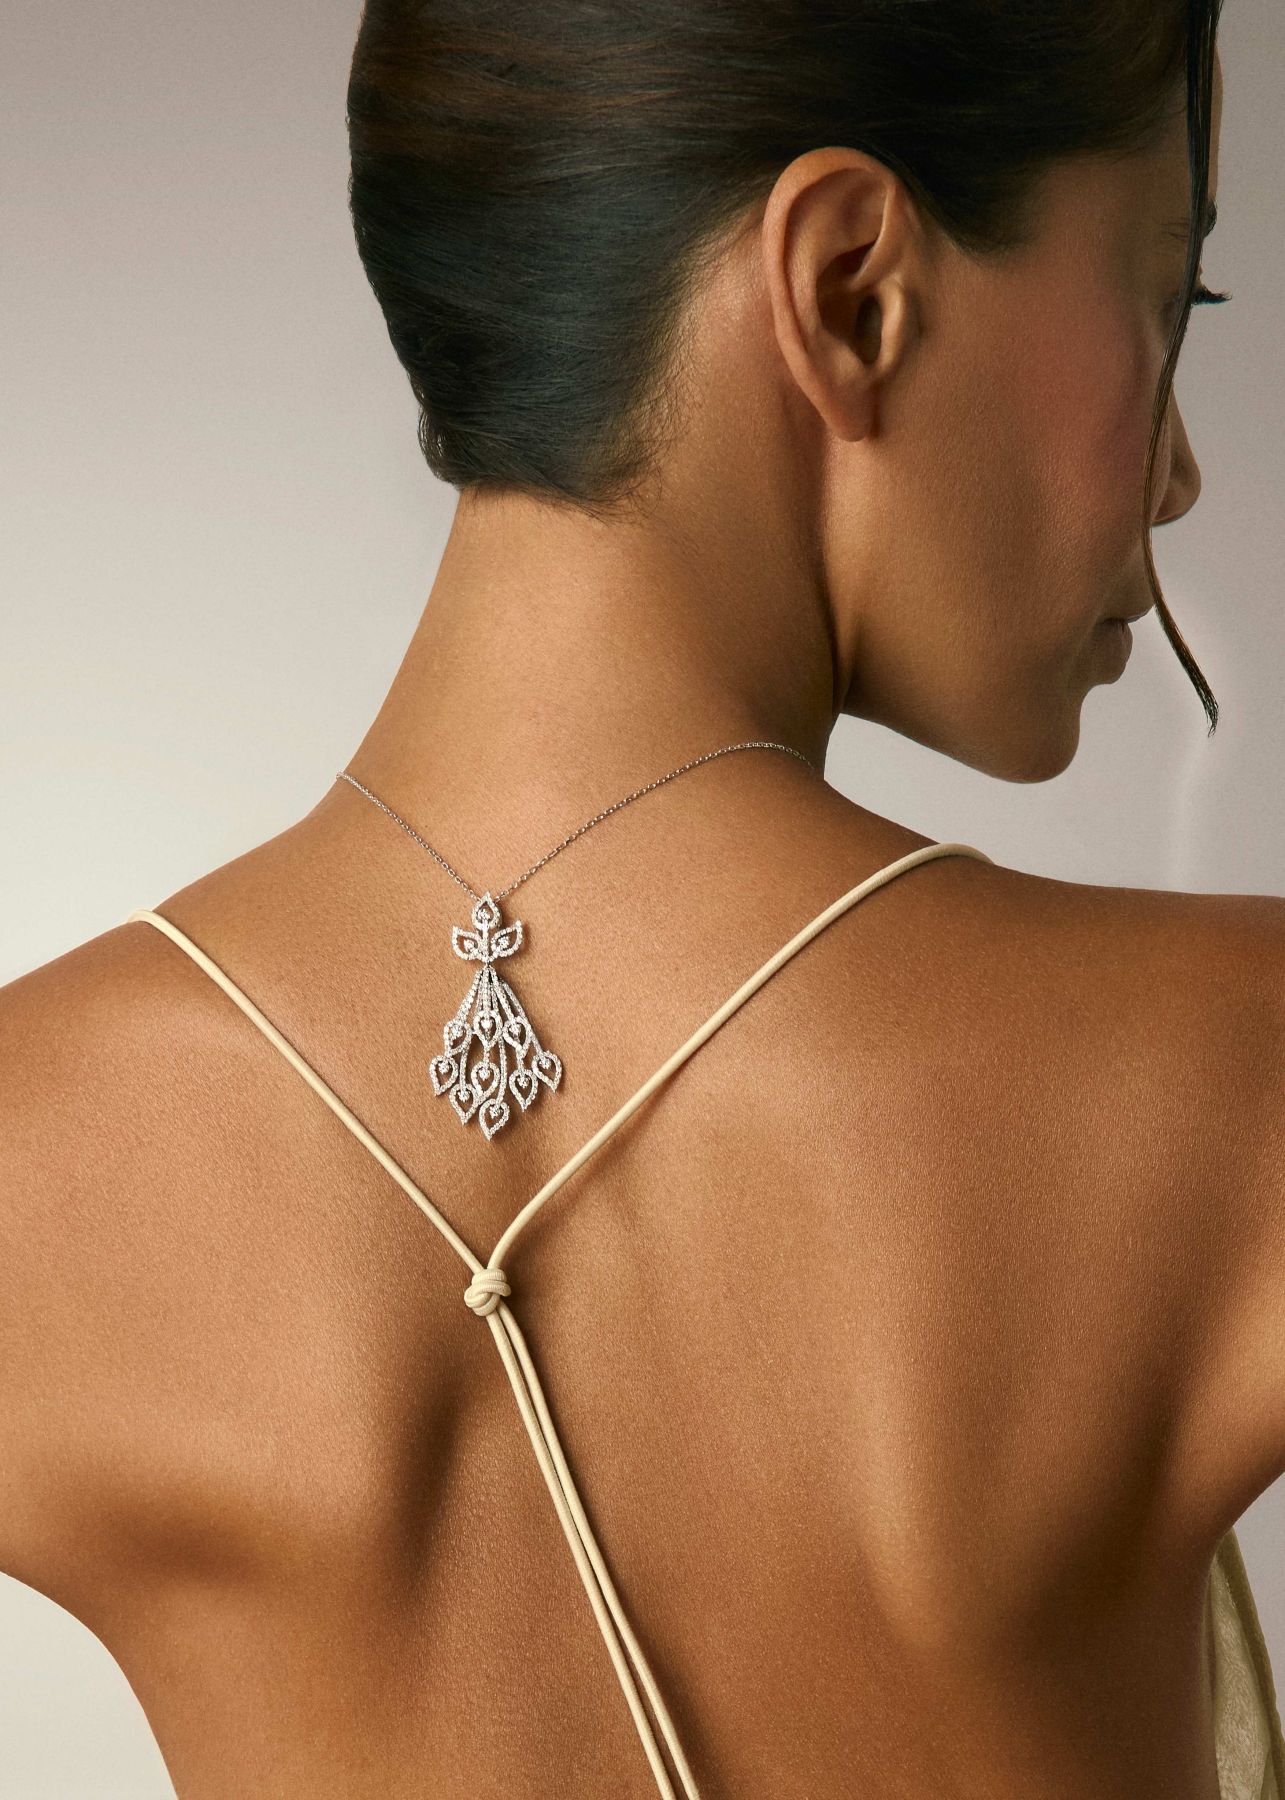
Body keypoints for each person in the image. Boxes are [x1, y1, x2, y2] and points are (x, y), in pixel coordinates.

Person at [2, 2, 1281, 1795]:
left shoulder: (28, 1142)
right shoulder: (1239, 1072)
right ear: (851, 289)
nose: (1181, 470)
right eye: (1166, 298)